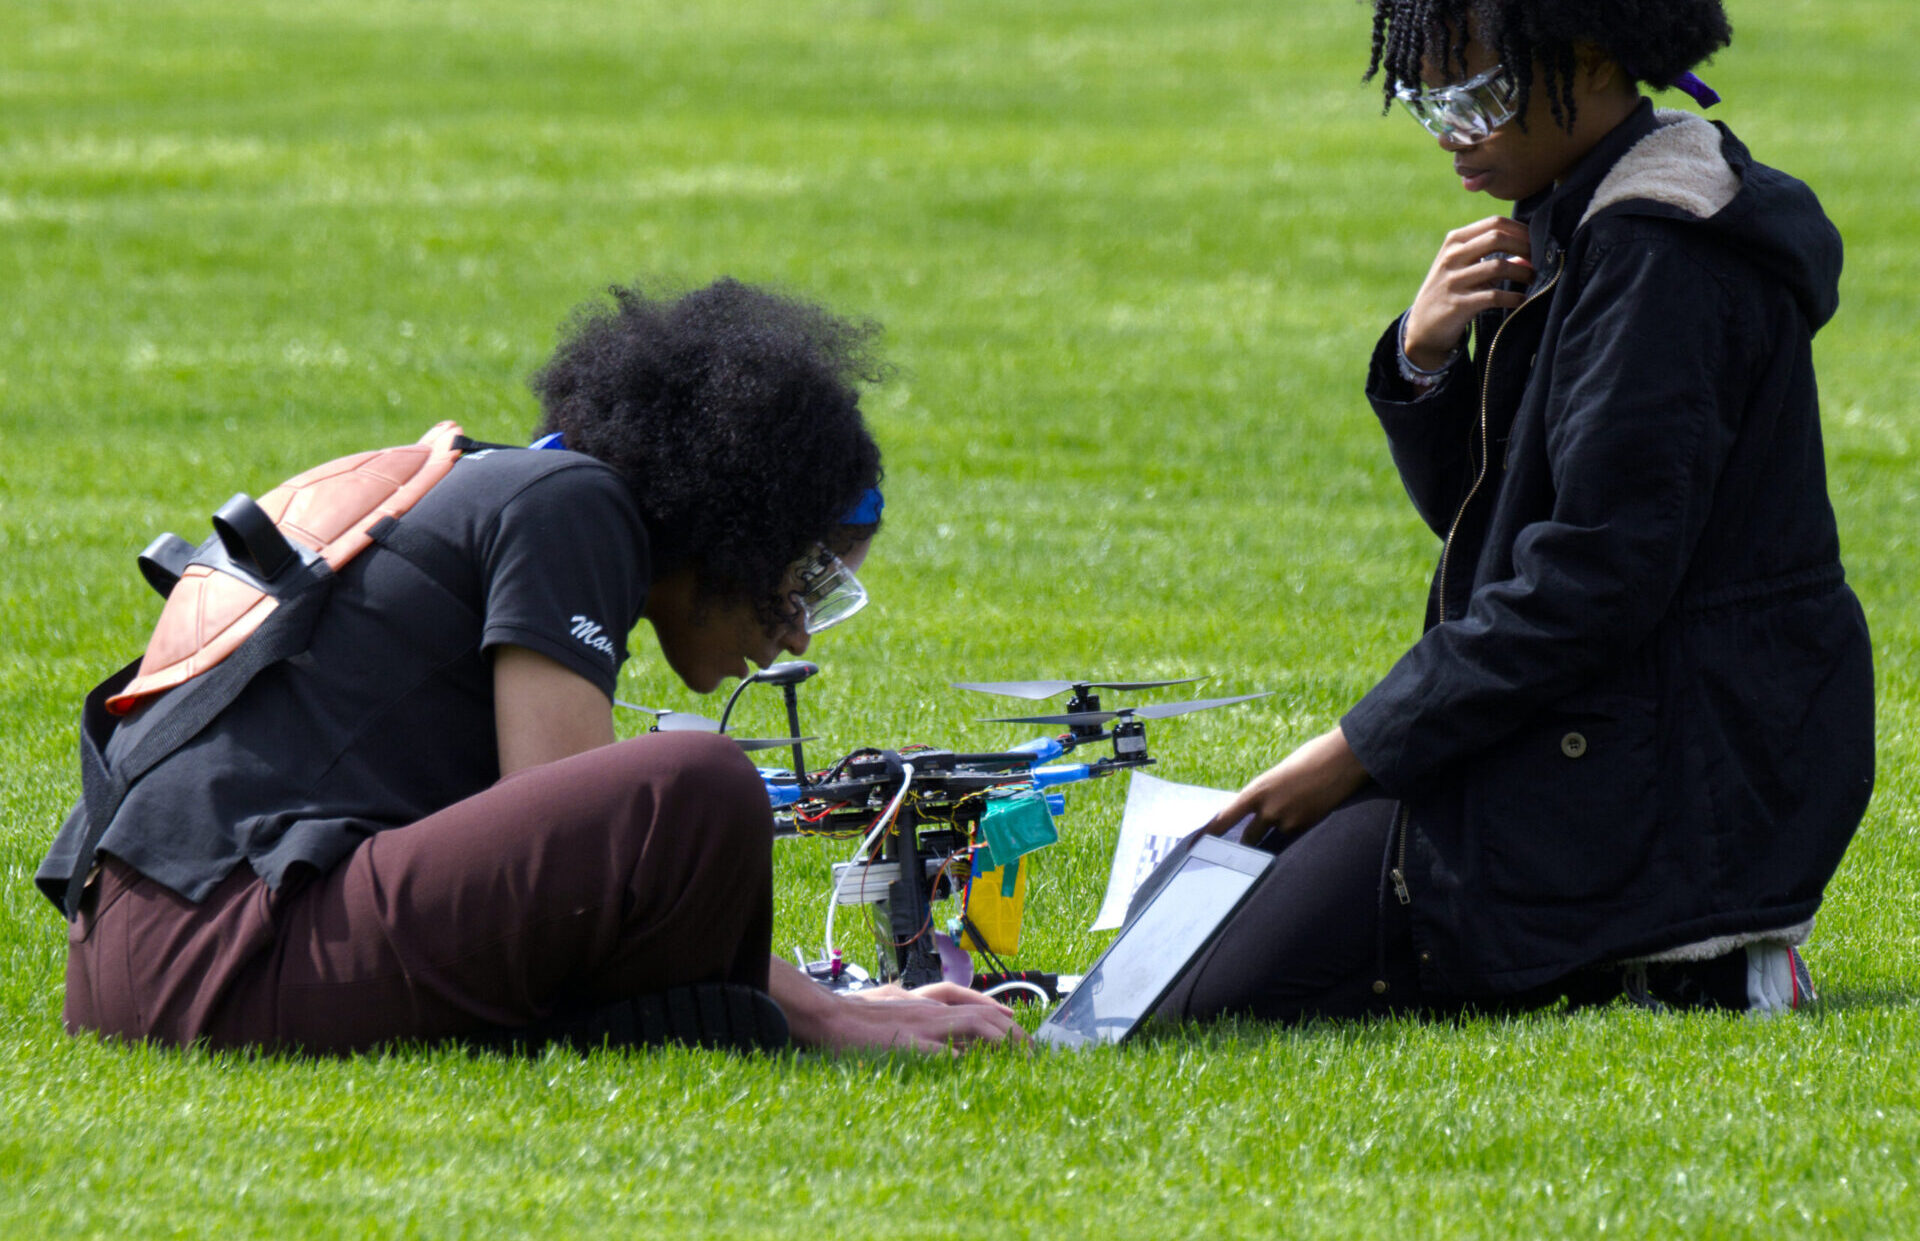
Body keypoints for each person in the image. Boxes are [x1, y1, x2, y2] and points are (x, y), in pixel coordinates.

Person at [38, 278, 1022, 1055]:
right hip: (229, 955)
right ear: (735, 523)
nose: (800, 631)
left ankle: (716, 1009)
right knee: (696, 786)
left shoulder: (505, 483)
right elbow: (573, 821)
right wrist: (836, 1014)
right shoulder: (574, 506)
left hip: (145, 953)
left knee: (674, 806)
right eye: (803, 577)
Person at [1157, 0, 1873, 1022]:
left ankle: (1696, 958)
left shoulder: (1661, 255)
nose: (1453, 129)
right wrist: (1425, 355)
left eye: (1477, 93)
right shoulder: (1581, 209)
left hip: (1675, 768)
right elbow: (1498, 519)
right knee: (1180, 941)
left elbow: (1588, 580)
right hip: (1600, 718)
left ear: (1586, 62)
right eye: (1425, 97)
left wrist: (1352, 750)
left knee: (1208, 995)